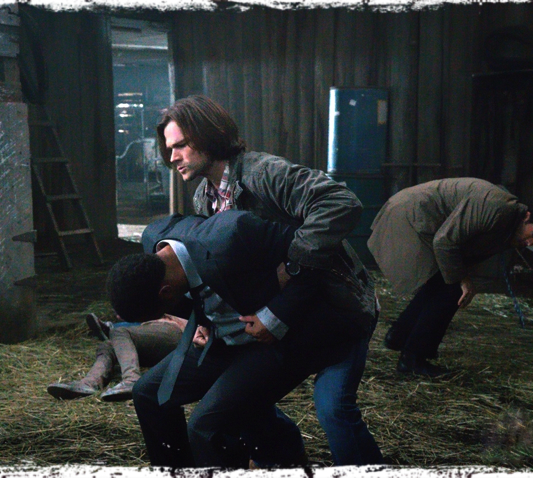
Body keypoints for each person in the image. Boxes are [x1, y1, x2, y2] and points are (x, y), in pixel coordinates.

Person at [154, 94, 383, 466]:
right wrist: (205, 320)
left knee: (334, 409)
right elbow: (221, 268)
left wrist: (292, 263)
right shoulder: (204, 199)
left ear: (208, 136)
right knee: (243, 399)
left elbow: (340, 202)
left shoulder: (263, 173)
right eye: (169, 149)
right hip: (286, 314)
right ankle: (287, 460)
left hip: (336, 305)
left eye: (180, 145)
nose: (172, 157)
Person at [127, 210, 375, 468]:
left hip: (274, 340)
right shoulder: (153, 239)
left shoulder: (234, 233)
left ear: (166, 292)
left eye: (163, 311)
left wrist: (275, 316)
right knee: (147, 393)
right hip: (220, 338)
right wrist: (200, 319)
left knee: (206, 426)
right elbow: (185, 298)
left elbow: (314, 256)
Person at [367, 177, 533, 377]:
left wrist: (462, 277)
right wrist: (463, 279)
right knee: (452, 290)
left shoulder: (511, 225)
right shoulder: (498, 209)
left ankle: (399, 336)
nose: (530, 243)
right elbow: (445, 242)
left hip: (424, 219)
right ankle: (412, 359)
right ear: (527, 216)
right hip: (412, 213)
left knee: (443, 282)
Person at [47, 313, 186, 401]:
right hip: (153, 342)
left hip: (175, 331)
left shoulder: (172, 295)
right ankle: (90, 383)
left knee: (119, 332)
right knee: (107, 345)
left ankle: (132, 379)